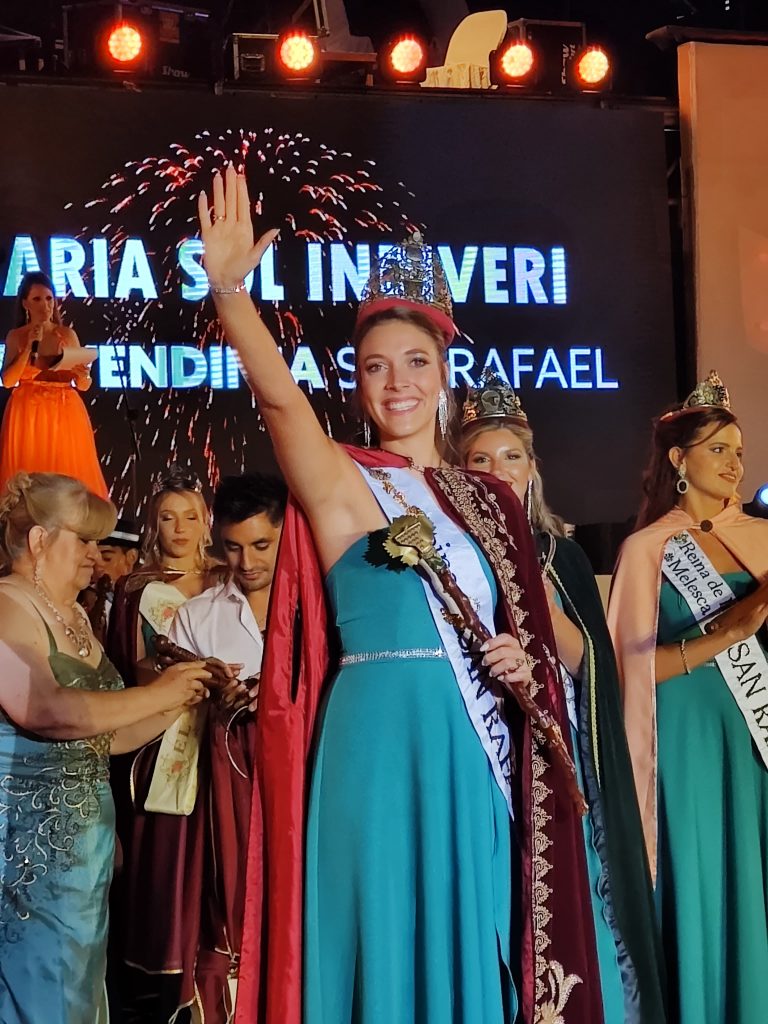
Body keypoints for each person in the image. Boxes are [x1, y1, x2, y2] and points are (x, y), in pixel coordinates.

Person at [200, 166, 606, 1024]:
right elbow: (279, 401)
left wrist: (516, 656)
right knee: (382, 933)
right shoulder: (342, 483)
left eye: (416, 362)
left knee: (474, 936)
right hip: (378, 737)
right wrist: (232, 294)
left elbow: (529, 633)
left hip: (471, 743)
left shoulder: (487, 500)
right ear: (357, 381)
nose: (398, 383)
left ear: (445, 372)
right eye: (376, 366)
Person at [460, 371, 667, 1024]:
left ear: (532, 470)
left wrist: (535, 598)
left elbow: (592, 667)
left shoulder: (562, 556)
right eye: (480, 461)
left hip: (554, 753)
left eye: (511, 457)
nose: (498, 472)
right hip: (475, 747)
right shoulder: (449, 556)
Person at [0, 471, 211, 1024]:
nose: (96, 555)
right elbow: (46, 711)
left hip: (85, 852)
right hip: (27, 850)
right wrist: (158, 693)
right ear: (40, 541)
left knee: (79, 986)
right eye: (85, 541)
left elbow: (107, 736)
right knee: (38, 987)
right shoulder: (7, 605)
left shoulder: (74, 616)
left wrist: (182, 699)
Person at [607, 372, 768, 1024]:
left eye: (739, 451)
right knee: (704, 881)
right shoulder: (647, 549)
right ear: (679, 459)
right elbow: (628, 671)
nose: (734, 464)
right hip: (684, 741)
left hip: (757, 739)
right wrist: (726, 633)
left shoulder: (763, 537)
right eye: (718, 449)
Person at [149, 472, 286, 1021]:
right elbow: (174, 712)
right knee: (232, 902)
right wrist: (213, 694)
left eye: (261, 545)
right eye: (232, 547)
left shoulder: (322, 606)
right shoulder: (196, 615)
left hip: (306, 781)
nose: (246, 562)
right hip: (229, 790)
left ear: (285, 532)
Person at [106, 469, 225, 1023]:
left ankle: (216, 963)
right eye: (167, 517)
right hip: (162, 733)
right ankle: (158, 972)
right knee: (166, 850)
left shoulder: (229, 577)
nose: (179, 528)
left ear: (206, 522)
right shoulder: (138, 588)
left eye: (190, 516)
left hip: (226, 730)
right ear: (154, 525)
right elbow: (129, 664)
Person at [0, 271, 107, 498]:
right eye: (37, 299)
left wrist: (83, 375)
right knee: (30, 479)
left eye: (49, 298)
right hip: (27, 415)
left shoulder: (67, 335)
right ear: (25, 304)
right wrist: (28, 347)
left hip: (65, 412)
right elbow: (8, 381)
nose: (45, 305)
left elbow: (84, 385)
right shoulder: (16, 336)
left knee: (67, 478)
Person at [80, 517, 142, 643]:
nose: (98, 566)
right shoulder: (83, 603)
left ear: (131, 557)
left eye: (107, 558)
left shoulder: (143, 605)